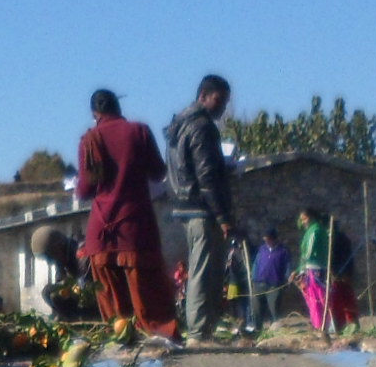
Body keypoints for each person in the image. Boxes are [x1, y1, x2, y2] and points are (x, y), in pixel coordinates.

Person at [75, 89, 177, 337]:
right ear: (118, 108)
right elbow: (157, 172)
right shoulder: (138, 131)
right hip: (135, 227)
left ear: (94, 114)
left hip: (101, 232)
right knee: (148, 297)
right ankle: (158, 336)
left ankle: (121, 340)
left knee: (114, 308)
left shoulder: (89, 140)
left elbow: (85, 190)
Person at [165, 74, 235, 340]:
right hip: (201, 207)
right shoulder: (202, 127)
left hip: (183, 204)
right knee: (204, 271)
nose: (222, 108)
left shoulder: (178, 125)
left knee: (201, 267)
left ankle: (201, 328)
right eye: (219, 100)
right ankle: (198, 331)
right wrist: (223, 215)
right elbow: (207, 176)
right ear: (204, 96)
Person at [293, 207, 358, 334]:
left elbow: (309, 254)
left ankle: (323, 326)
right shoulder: (316, 232)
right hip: (326, 270)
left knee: (320, 299)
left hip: (323, 271)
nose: (303, 222)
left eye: (304, 219)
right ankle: (326, 325)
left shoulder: (316, 231)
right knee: (323, 299)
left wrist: (300, 270)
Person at [248, 227, 289, 329]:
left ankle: (274, 328)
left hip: (274, 284)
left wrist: (287, 279)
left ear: (274, 238)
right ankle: (257, 328)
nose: (267, 241)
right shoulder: (262, 249)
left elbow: (288, 266)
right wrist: (253, 275)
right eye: (265, 239)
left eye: (269, 239)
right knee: (256, 308)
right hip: (259, 282)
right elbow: (256, 263)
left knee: (274, 307)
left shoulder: (283, 251)